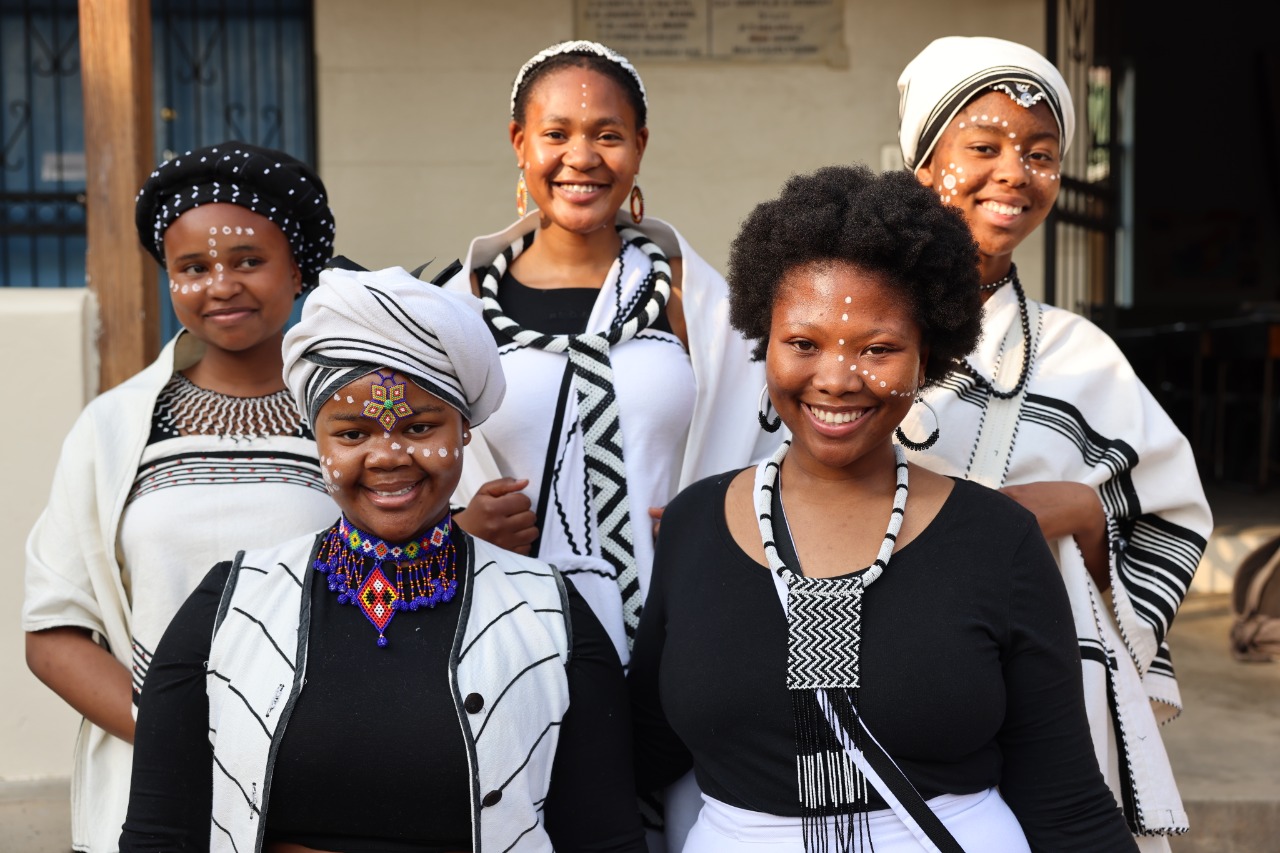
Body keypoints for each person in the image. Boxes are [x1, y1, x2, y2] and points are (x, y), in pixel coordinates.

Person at [630, 164, 1139, 852]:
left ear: (927, 355)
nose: (836, 379)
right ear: (763, 340)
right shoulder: (694, 525)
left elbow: (1066, 800)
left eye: (878, 349)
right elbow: (637, 756)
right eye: (803, 344)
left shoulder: (999, 542)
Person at [118, 265, 647, 853]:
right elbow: (159, 835)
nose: (388, 457)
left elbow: (604, 838)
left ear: (464, 430)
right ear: (316, 438)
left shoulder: (551, 618)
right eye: (352, 434)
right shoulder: (229, 610)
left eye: (420, 427)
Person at [895, 36, 1212, 848]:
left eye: (1040, 154)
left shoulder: (1081, 352)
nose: (1015, 173)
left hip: (1042, 685)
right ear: (925, 164)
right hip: (884, 670)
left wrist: (1086, 517)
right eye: (985, 146)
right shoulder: (846, 326)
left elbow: (1169, 518)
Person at [23, 142, 338, 853]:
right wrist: (182, 740)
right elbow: (53, 631)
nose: (220, 284)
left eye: (249, 261)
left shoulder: (351, 421)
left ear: (297, 269)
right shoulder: (113, 428)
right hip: (153, 791)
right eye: (193, 268)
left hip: (320, 788)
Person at [439, 39, 778, 666]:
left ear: (640, 147)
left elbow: (767, 440)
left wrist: (718, 514)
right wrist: (458, 531)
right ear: (519, 142)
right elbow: (391, 461)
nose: (582, 158)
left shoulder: (694, 299)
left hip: (680, 625)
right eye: (556, 133)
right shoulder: (454, 309)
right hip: (504, 630)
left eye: (608, 135)